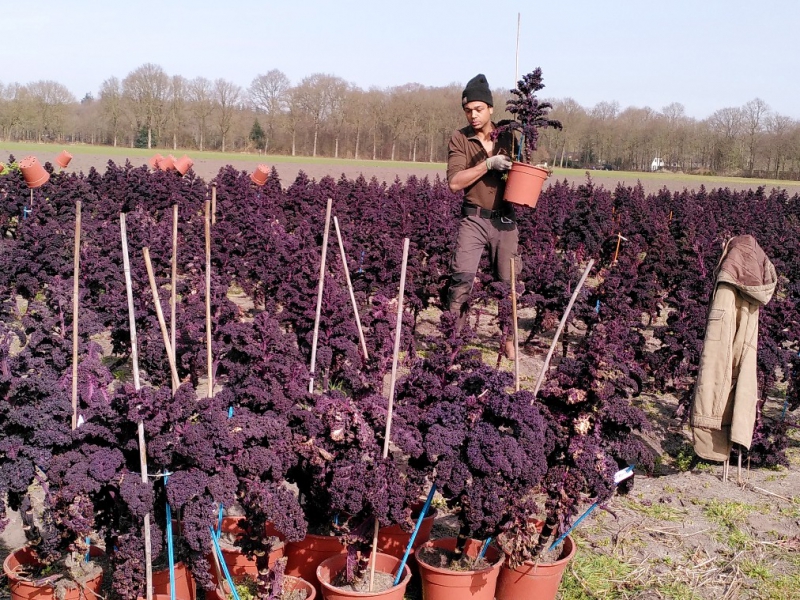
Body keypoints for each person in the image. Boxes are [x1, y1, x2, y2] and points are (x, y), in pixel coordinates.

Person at [445, 73, 520, 359]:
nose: (473, 115)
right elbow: (454, 182)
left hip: (504, 220)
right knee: (461, 278)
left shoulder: (509, 135)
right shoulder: (460, 139)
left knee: (508, 283)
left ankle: (509, 340)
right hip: (473, 219)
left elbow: (530, 166)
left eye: (478, 109)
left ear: (490, 109)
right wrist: (488, 163)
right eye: (468, 110)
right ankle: (453, 340)